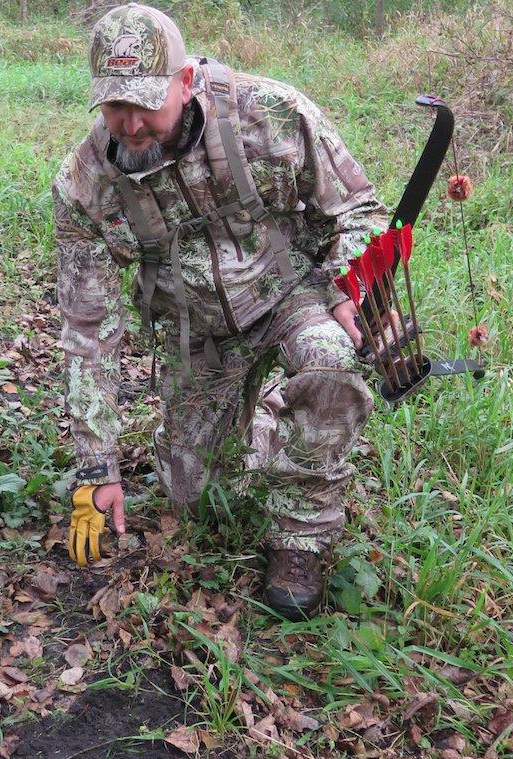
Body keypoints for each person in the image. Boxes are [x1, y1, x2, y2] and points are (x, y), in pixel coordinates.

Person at [54, 3, 388, 619]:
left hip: (292, 295)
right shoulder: (86, 182)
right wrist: (95, 465)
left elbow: (360, 209)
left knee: (329, 359)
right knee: (195, 497)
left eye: (145, 103)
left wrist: (354, 287)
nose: (130, 124)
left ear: (185, 81)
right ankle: (269, 420)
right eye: (113, 105)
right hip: (198, 332)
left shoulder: (272, 113)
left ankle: (301, 539)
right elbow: (87, 328)